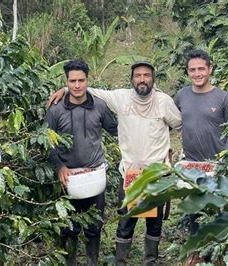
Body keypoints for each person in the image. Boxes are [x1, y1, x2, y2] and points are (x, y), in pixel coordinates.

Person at [48, 61, 182, 265]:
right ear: (131, 79)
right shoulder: (119, 98)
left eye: (146, 75)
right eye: (138, 75)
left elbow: (178, 124)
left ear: (153, 78)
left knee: (152, 220)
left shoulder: (163, 101)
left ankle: (150, 260)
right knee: (122, 219)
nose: (142, 79)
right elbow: (48, 138)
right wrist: (65, 89)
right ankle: (118, 261)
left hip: (154, 173)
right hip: (124, 173)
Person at [45, 60, 118, 266]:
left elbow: (116, 131)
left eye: (81, 80)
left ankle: (92, 262)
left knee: (94, 225)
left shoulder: (100, 106)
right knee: (69, 228)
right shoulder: (56, 110)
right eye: (72, 81)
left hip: (94, 174)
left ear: (88, 80)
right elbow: (47, 141)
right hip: (68, 177)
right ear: (66, 82)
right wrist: (60, 166)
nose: (77, 85)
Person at [174, 49, 228, 264]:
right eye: (193, 69)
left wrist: (225, 163)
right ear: (187, 72)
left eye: (201, 68)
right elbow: (171, 122)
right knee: (194, 210)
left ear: (210, 69)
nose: (197, 73)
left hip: (217, 165)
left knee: (218, 210)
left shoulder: (223, 98)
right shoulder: (181, 95)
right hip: (192, 165)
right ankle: (196, 252)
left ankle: (218, 255)